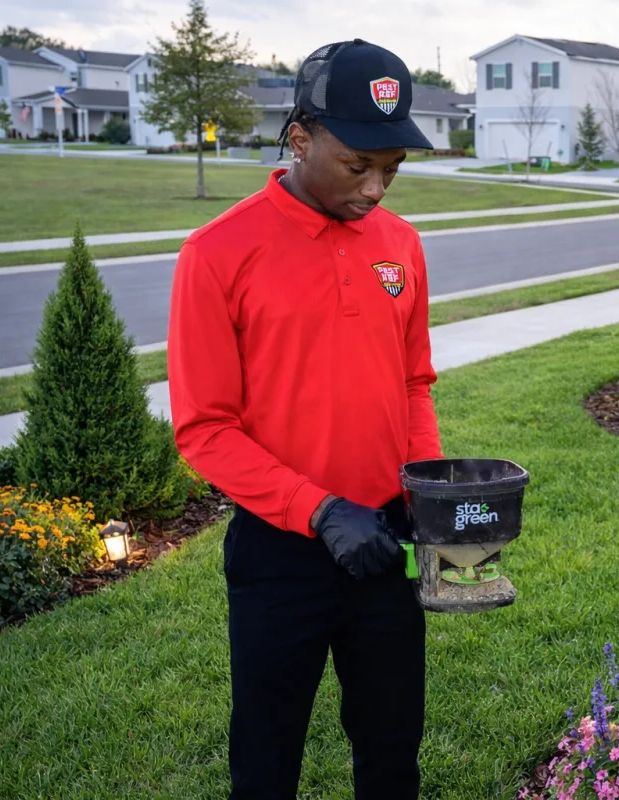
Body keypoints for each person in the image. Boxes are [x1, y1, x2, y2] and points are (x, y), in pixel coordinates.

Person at [167, 39, 442, 799]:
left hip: (386, 538)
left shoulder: (402, 245)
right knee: (266, 761)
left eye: (392, 168)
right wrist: (317, 510)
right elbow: (204, 428)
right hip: (280, 553)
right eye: (358, 166)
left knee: (393, 750)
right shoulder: (216, 253)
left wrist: (425, 492)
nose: (376, 188)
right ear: (299, 138)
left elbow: (414, 382)